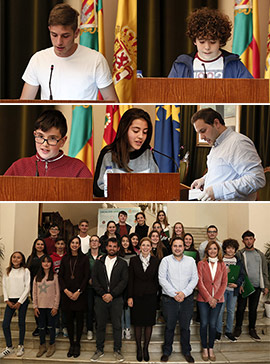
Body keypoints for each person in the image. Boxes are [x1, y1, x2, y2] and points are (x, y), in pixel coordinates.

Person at [20, 3, 118, 101]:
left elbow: (112, 102)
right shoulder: (38, 59)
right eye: (54, 35)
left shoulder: (96, 60)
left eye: (65, 36)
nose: (59, 42)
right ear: (49, 30)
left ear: (76, 33)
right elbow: (24, 101)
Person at [190, 108, 266, 201]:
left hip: (233, 211)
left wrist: (217, 191)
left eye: (203, 131)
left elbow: (256, 179)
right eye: (199, 133)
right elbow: (224, 171)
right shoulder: (216, 143)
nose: (201, 137)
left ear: (216, 123)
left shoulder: (238, 142)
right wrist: (204, 179)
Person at [168, 7, 253, 79]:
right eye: (202, 42)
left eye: (212, 42)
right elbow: (169, 94)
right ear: (194, 41)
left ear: (221, 41)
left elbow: (250, 93)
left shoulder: (235, 65)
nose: (207, 47)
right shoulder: (181, 65)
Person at [4, 110, 92, 177]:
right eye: (41, 136)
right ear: (35, 134)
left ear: (63, 141)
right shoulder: (19, 166)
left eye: (52, 138)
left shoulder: (78, 168)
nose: (45, 144)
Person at [94, 108, 159, 197]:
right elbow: (98, 189)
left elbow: (157, 185)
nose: (141, 136)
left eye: (145, 132)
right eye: (136, 131)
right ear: (124, 130)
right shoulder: (108, 154)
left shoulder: (148, 153)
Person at [159, 237, 198, 364]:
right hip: (169, 300)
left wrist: (184, 293)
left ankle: (187, 351)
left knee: (185, 327)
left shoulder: (191, 261)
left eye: (180, 246)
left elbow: (194, 279)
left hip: (186, 299)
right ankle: (166, 351)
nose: (177, 248)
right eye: (175, 246)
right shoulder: (165, 261)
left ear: (184, 247)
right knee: (169, 327)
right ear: (171, 247)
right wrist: (174, 294)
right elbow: (162, 279)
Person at [91, 238, 128, 362]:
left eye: (114, 246)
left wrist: (112, 294)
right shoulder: (99, 262)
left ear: (118, 248)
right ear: (106, 248)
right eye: (110, 246)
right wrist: (103, 294)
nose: (112, 248)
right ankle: (99, 349)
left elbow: (124, 281)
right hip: (100, 298)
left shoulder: (122, 263)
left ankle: (117, 349)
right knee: (100, 325)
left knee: (117, 326)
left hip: (116, 299)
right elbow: (94, 280)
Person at [234, 230, 269, 341]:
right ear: (243, 241)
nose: (249, 241)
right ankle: (238, 328)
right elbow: (237, 270)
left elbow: (264, 271)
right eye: (246, 239)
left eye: (250, 239)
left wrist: (266, 285)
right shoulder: (240, 253)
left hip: (257, 286)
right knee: (241, 308)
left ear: (254, 240)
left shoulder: (260, 255)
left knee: (253, 309)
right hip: (244, 286)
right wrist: (239, 284)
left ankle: (252, 329)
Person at [128, 237, 160, 362]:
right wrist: (130, 296)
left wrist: (156, 295)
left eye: (148, 245)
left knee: (148, 323)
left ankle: (145, 348)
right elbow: (130, 280)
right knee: (137, 323)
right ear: (140, 247)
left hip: (151, 296)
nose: (146, 247)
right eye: (143, 245)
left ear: (151, 247)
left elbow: (158, 280)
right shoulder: (133, 260)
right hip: (137, 296)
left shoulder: (156, 261)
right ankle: (139, 349)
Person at [58, 236, 90, 358]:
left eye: (77, 243)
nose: (75, 245)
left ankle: (78, 344)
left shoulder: (84, 258)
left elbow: (86, 276)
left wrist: (78, 291)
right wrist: (65, 290)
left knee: (80, 321)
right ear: (69, 244)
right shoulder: (65, 258)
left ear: (80, 245)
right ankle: (71, 343)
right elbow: (60, 276)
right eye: (73, 243)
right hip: (67, 295)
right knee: (69, 321)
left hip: (80, 295)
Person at [197, 241, 227, 361]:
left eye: (215, 249)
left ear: (218, 250)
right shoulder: (201, 264)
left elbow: (224, 283)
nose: (213, 251)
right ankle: (204, 348)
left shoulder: (222, 264)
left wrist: (216, 298)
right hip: (203, 299)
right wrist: (209, 298)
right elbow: (199, 282)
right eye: (210, 249)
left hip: (218, 300)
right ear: (206, 251)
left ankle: (211, 348)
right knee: (204, 324)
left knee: (213, 324)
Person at [0, 252, 30, 359]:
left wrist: (20, 302)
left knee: (21, 322)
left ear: (22, 260)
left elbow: (27, 287)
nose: (16, 259)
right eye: (14, 257)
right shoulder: (7, 271)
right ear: (11, 258)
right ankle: (9, 347)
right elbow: (4, 286)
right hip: (10, 300)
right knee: (5, 324)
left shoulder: (25, 271)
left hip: (22, 300)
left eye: (18, 257)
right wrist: (6, 300)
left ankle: (20, 345)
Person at [215, 239, 245, 342]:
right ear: (225, 249)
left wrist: (237, 284)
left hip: (233, 290)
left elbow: (242, 275)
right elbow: (215, 274)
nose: (230, 250)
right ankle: (218, 332)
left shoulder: (238, 261)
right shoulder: (220, 260)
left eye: (233, 248)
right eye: (228, 248)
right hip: (221, 290)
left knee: (231, 311)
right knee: (220, 311)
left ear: (235, 249)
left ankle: (228, 332)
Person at [33, 255, 60, 358]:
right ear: (41, 264)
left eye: (48, 262)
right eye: (44, 262)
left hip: (51, 307)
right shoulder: (37, 277)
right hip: (40, 307)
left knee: (51, 326)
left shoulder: (55, 276)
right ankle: (42, 345)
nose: (46, 264)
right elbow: (34, 293)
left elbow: (57, 293)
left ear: (51, 264)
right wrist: (35, 306)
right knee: (41, 327)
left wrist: (55, 306)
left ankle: (52, 344)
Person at [27, 238, 48, 337]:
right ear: (35, 246)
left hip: (45, 285)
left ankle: (46, 326)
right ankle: (39, 326)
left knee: (45, 306)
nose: (40, 246)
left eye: (42, 244)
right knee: (37, 306)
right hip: (33, 284)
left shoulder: (47, 257)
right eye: (38, 244)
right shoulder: (31, 258)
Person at [86, 235, 105, 341]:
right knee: (89, 309)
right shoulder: (85, 256)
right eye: (92, 241)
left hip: (100, 288)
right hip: (89, 287)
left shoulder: (104, 257)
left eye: (96, 241)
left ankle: (99, 329)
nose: (94, 243)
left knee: (99, 309)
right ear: (89, 243)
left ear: (99, 244)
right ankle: (89, 329)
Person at [119, 235, 136, 341]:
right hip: (119, 284)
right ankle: (121, 328)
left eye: (127, 241)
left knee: (128, 308)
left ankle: (128, 328)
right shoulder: (117, 255)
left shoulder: (134, 255)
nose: (125, 243)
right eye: (123, 241)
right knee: (120, 307)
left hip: (130, 284)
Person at [50, 237, 67, 337]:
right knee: (55, 307)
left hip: (64, 286)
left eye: (62, 244)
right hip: (54, 286)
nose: (60, 246)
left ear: (65, 246)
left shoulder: (67, 256)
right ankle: (56, 326)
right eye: (58, 244)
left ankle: (64, 326)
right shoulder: (51, 257)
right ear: (55, 245)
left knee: (64, 308)